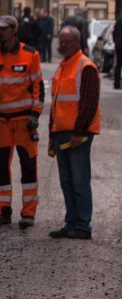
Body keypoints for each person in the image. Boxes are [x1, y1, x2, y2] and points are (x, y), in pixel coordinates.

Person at [0, 15, 44, 229]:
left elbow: (38, 87)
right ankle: (3, 211)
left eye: (4, 29)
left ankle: (28, 214)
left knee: (28, 167)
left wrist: (35, 114)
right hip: (1, 122)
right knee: (0, 167)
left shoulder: (30, 55)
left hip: (24, 121)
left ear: (14, 31)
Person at [47, 26, 101, 240]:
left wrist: (79, 132)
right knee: (67, 181)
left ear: (77, 42)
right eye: (60, 41)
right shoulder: (63, 67)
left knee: (79, 181)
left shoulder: (85, 66)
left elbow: (88, 103)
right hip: (61, 132)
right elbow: (56, 104)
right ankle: (71, 223)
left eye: (66, 41)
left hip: (77, 134)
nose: (61, 45)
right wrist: (52, 134)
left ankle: (82, 225)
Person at [113, 17, 122, 90]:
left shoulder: (118, 20)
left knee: (118, 65)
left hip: (118, 45)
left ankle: (117, 84)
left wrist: (115, 41)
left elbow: (114, 32)